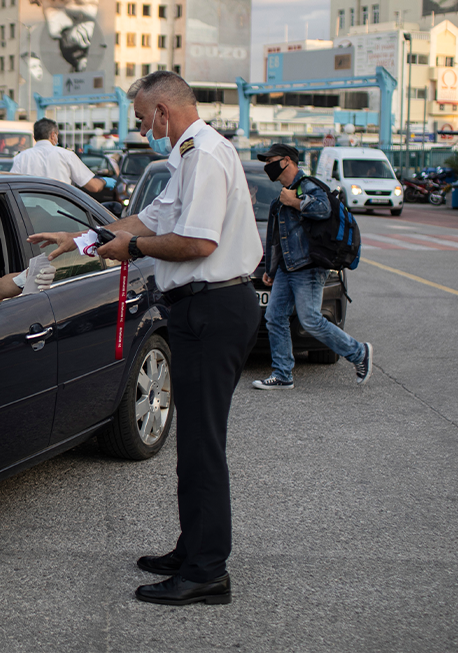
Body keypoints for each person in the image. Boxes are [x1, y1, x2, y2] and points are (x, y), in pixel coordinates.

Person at [29, 71, 263, 606]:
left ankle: (207, 571)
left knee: (203, 445)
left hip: (213, 306)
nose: (141, 130)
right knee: (194, 444)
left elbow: (197, 242)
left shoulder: (204, 155)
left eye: (141, 119)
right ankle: (194, 548)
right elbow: (148, 218)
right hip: (200, 309)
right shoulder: (187, 156)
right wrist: (84, 239)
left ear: (163, 110)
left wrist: (132, 253)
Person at [252, 143, 372, 390]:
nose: (267, 167)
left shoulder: (308, 186)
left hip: (308, 267)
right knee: (274, 317)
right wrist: (271, 271)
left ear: (287, 161)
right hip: (287, 269)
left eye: (270, 161)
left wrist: (296, 202)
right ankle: (283, 374)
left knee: (310, 320)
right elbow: (277, 240)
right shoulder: (283, 195)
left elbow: (324, 208)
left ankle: (359, 353)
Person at [11, 118, 116, 194]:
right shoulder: (66, 155)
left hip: (29, 214)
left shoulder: (20, 157)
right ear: (53, 135)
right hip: (60, 212)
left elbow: (12, 184)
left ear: (34, 137)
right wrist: (104, 181)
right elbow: (93, 187)